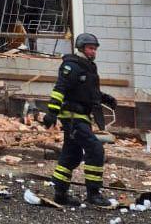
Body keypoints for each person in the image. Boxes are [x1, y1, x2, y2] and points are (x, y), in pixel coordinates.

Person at [42, 32, 116, 208]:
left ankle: (60, 193)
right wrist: (52, 112)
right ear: (81, 48)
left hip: (83, 116)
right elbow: (60, 89)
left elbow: (89, 92)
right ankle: (93, 194)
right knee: (95, 149)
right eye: (90, 48)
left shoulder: (88, 67)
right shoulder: (71, 66)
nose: (93, 52)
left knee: (72, 154)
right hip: (72, 117)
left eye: (95, 49)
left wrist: (105, 98)